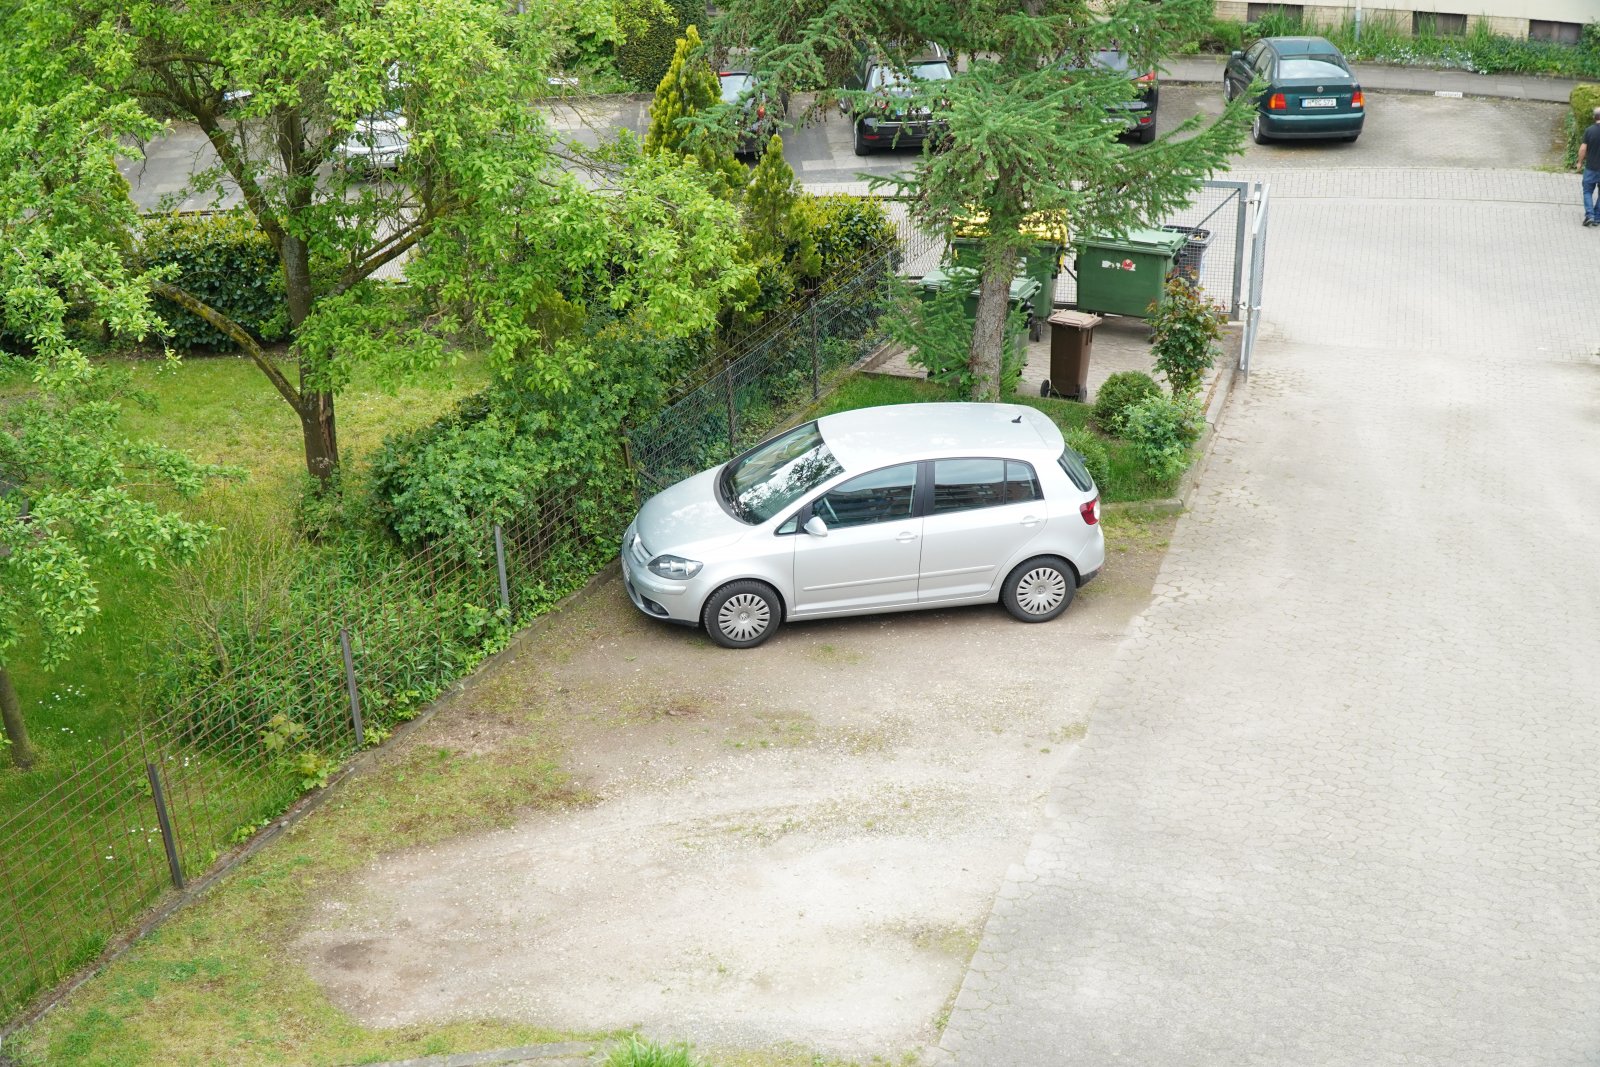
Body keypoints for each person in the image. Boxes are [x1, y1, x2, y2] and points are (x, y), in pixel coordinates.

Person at [1582, 106, 1600, 228]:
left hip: (1591, 168)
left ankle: (1590, 215)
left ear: (1595, 117)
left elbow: (1583, 148)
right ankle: (1597, 217)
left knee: (1587, 191)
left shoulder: (1589, 130)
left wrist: (1579, 162)